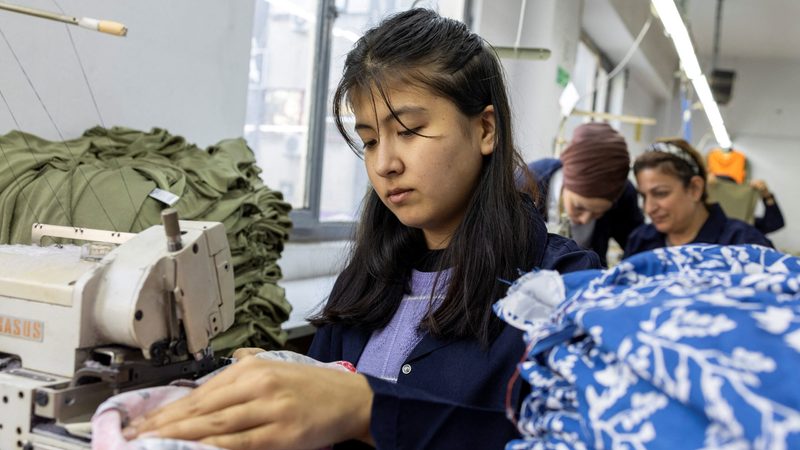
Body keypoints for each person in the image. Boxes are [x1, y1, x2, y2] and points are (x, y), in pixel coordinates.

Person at [124, 8, 601, 450]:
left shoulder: (562, 287)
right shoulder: (369, 280)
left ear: (485, 130)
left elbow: (573, 439)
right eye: (370, 141)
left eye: (410, 131)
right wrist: (288, 380)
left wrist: (367, 409)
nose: (385, 164)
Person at [625, 138, 773, 257]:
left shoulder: (744, 244)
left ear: (695, 188)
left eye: (661, 193)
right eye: (643, 196)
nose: (649, 208)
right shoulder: (641, 241)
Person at [525, 122, 644, 266]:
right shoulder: (526, 185)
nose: (584, 219)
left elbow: (639, 248)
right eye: (579, 207)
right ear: (565, 182)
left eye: (597, 214)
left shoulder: (623, 195)